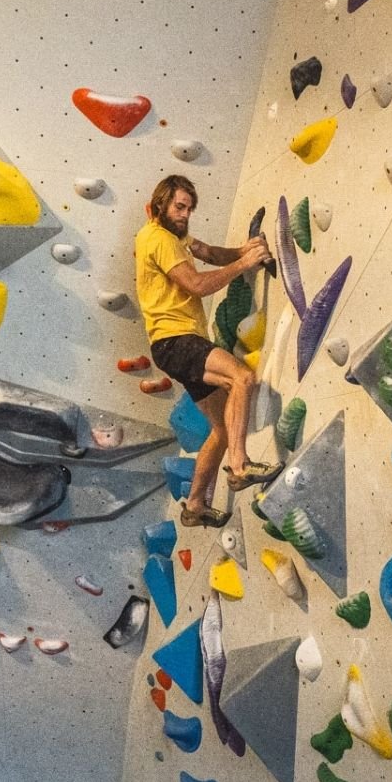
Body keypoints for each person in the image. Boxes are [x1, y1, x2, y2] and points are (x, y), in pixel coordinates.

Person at [133, 175, 282, 527]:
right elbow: (198, 285)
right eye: (179, 207)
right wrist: (245, 265)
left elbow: (212, 254)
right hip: (177, 340)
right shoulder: (159, 239)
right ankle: (241, 466)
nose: (185, 214)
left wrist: (244, 252)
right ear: (161, 204)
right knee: (242, 378)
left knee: (222, 429)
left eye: (189, 208)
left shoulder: (173, 236)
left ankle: (195, 505)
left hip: (172, 345)